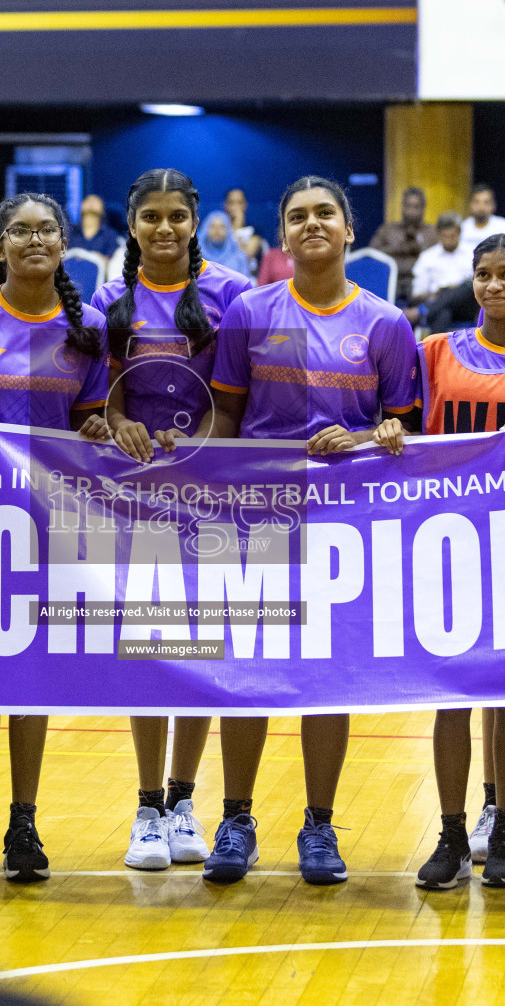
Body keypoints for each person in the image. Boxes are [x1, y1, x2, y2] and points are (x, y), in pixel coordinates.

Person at [194, 176, 416, 887]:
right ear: (282, 236)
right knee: (246, 675)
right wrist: (203, 491)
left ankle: (319, 824)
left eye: (325, 213)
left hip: (348, 527)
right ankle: (235, 817)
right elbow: (227, 421)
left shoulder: (386, 323)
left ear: (350, 231)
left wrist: (381, 431)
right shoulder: (250, 315)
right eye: (297, 216)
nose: (312, 223)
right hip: (257, 515)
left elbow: (405, 426)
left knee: (329, 677)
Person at [0, 192, 111, 884]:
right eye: (20, 231)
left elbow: (91, 418)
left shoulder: (87, 326)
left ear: (63, 244)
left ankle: (24, 818)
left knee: (31, 671)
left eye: (46, 231)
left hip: (51, 520)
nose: (34, 240)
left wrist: (95, 427)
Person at [91, 168, 254, 871]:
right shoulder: (105, 301)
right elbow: (93, 401)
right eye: (150, 217)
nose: (164, 229)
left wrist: (200, 454)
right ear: (133, 225)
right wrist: (117, 423)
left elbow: (245, 399)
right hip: (130, 498)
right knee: (147, 648)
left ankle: (186, 798)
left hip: (209, 492)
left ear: (196, 222)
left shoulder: (234, 296)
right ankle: (147, 805)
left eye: (176, 217)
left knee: (200, 649)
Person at [412, 233, 505, 892]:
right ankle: (449, 831)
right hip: (445, 539)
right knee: (451, 695)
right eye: (483, 274)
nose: (494, 285)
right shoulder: (434, 353)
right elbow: (404, 427)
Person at [368, 186, 438, 303]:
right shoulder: (388, 230)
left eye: (416, 207)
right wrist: (398, 248)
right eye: (408, 206)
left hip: (421, 285)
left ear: (423, 208)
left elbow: (441, 257)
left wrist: (419, 248)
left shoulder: (432, 232)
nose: (411, 211)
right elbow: (371, 254)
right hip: (390, 281)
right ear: (402, 206)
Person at [409, 211, 473, 319]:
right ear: (438, 235)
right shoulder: (427, 257)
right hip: (438, 303)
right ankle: (432, 315)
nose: (449, 240)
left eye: (452, 236)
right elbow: (417, 294)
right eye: (445, 236)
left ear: (459, 232)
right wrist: (436, 294)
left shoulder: (472, 252)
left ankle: (424, 311)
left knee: (468, 285)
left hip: (466, 306)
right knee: (443, 314)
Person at [460, 184, 505, 250]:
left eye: (486, 202)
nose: (481, 207)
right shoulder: (462, 228)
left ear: (493, 205)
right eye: (476, 202)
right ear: (470, 204)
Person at [198, 210, 252, 279]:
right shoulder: (194, 256)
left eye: (222, 227)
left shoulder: (238, 257)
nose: (217, 230)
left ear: (228, 230)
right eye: (212, 226)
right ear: (205, 229)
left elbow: (244, 284)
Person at [72, 194, 123, 258]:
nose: (91, 202)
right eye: (88, 200)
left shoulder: (110, 235)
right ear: (81, 206)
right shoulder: (69, 232)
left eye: (96, 201)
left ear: (102, 209)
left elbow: (113, 261)